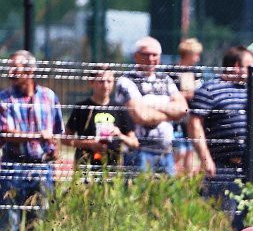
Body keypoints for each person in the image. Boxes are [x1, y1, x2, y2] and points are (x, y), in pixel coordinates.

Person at [188, 45, 253, 228]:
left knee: (246, 223)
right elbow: (195, 124)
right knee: (220, 219)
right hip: (221, 167)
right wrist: (205, 158)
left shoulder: (250, 91)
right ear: (236, 66)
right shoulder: (210, 90)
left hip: (248, 169)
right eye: (250, 66)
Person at [0, 50, 63, 231]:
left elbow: (57, 130)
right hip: (13, 167)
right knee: (9, 224)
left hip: (42, 168)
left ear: (30, 71)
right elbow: (6, 133)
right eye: (10, 68)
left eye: (15, 69)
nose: (10, 73)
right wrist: (38, 135)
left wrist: (54, 150)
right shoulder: (4, 100)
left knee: (39, 224)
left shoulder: (49, 97)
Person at [114, 36, 188, 175]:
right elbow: (141, 116)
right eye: (146, 54)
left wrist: (149, 104)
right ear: (136, 56)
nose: (151, 59)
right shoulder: (126, 81)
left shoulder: (165, 79)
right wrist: (169, 111)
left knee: (167, 196)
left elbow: (182, 109)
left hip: (166, 152)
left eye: (155, 55)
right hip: (138, 152)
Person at [64, 67, 139, 171]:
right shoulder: (82, 108)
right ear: (91, 82)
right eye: (101, 81)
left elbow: (134, 143)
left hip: (113, 169)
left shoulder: (120, 109)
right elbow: (65, 139)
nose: (105, 85)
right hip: (86, 167)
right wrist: (88, 144)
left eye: (109, 81)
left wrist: (120, 136)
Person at [172, 37, 203, 174]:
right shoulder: (172, 72)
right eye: (196, 54)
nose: (197, 58)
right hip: (177, 119)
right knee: (179, 153)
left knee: (190, 153)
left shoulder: (196, 73)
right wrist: (186, 94)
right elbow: (170, 94)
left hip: (191, 118)